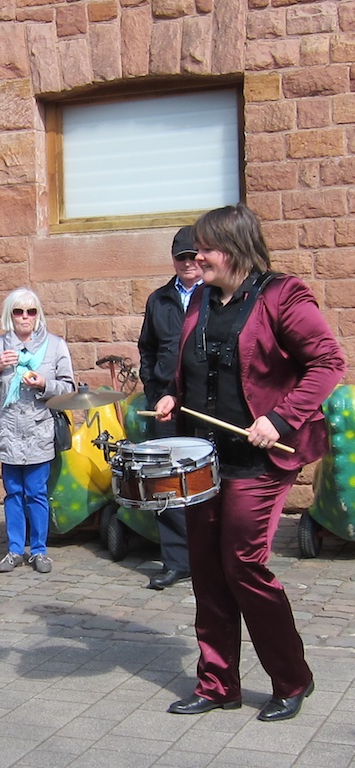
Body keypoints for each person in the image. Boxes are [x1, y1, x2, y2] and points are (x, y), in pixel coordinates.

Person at [154, 203, 345, 723]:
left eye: (205, 248)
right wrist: (173, 395)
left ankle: (292, 677)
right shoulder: (201, 303)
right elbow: (193, 367)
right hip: (203, 458)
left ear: (233, 249)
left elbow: (328, 361)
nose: (196, 257)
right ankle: (218, 684)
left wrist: (282, 420)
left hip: (258, 460)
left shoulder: (284, 295)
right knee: (207, 569)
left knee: (243, 564)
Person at [0, 288, 74, 575]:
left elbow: (68, 387)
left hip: (38, 429)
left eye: (31, 311)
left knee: (36, 492)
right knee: (13, 492)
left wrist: (44, 383)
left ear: (38, 314)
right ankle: (15, 549)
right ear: (10, 315)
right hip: (7, 431)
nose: (25, 317)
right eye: (19, 311)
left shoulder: (55, 346)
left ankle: (40, 550)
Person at [136, 226, 203, 590]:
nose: (188, 263)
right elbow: (146, 347)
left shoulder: (214, 296)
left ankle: (210, 557)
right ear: (174, 259)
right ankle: (177, 561)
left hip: (202, 405)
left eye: (194, 256)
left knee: (206, 481)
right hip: (163, 406)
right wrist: (152, 388)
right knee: (166, 483)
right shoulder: (159, 299)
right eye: (182, 257)